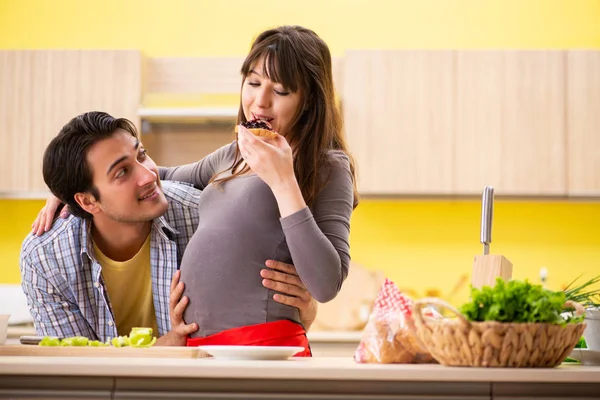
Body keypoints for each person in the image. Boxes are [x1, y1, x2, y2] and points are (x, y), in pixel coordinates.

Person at [22, 111, 317, 345]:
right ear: (86, 201)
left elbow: (253, 324)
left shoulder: (202, 215)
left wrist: (303, 309)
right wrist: (169, 345)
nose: (148, 175)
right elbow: (75, 376)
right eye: (122, 172)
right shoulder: (47, 258)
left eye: (141, 155)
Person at [157, 25, 359, 353]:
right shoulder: (232, 154)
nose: (260, 102)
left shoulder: (327, 165)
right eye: (253, 83)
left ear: (308, 101)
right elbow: (158, 178)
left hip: (266, 347)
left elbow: (325, 284)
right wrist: (76, 186)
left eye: (280, 91)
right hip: (199, 347)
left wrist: (283, 180)